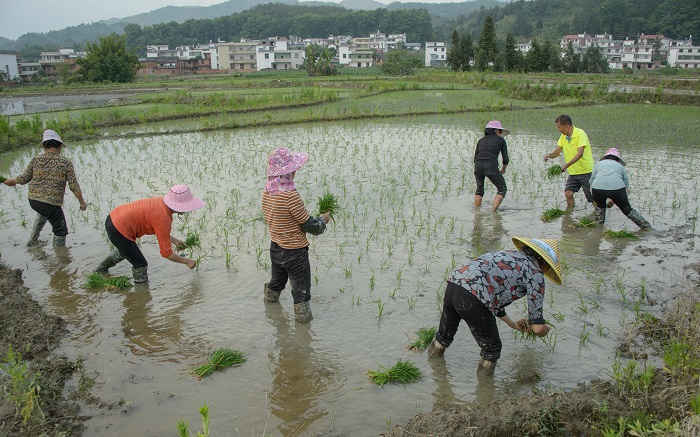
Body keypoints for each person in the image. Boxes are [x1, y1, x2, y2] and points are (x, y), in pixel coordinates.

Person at [427, 237, 562, 376]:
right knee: (492, 348)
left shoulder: (508, 255)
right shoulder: (535, 274)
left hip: (454, 284)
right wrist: (546, 329)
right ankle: (486, 390)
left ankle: (433, 374)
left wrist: (513, 324)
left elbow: (492, 298)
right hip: (474, 296)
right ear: (545, 263)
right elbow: (538, 328)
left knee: (444, 335)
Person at [261, 147, 330, 323]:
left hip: (276, 248)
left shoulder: (267, 193)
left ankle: (269, 306)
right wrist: (323, 220)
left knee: (276, 282)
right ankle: (304, 329)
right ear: (288, 173)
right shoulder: (290, 196)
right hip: (295, 253)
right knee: (301, 292)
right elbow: (309, 225)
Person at [93, 185, 205, 283]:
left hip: (114, 217)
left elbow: (156, 228)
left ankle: (100, 270)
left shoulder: (160, 203)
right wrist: (187, 261)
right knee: (140, 264)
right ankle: (141, 296)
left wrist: (174, 240)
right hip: (118, 228)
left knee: (128, 251)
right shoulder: (163, 218)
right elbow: (167, 253)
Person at [2, 129, 87, 246]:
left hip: (33, 200)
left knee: (43, 213)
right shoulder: (65, 162)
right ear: (60, 145)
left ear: (44, 146)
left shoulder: (36, 159)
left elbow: (25, 178)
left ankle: (32, 241)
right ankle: (60, 258)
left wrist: (13, 180)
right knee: (60, 230)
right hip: (51, 203)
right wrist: (82, 202)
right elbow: (73, 185)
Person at [590, 148, 651, 229]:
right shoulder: (620, 166)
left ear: (605, 157)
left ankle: (598, 229)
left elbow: (591, 181)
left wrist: (595, 193)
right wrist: (616, 199)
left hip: (597, 189)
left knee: (600, 207)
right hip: (617, 189)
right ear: (618, 159)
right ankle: (646, 228)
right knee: (627, 210)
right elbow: (626, 186)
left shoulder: (598, 164)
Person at [544, 115, 594, 208]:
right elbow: (557, 152)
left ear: (566, 125)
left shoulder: (580, 134)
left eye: (560, 127)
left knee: (591, 198)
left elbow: (580, 154)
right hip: (573, 172)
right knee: (568, 194)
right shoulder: (563, 137)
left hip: (586, 172)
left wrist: (566, 165)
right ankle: (569, 215)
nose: (559, 130)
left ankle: (599, 216)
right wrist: (549, 155)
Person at [474, 120, 510, 212]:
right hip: (490, 166)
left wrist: (480, 167)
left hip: (478, 166)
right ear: (497, 131)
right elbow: (505, 159)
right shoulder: (501, 140)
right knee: (502, 189)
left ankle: (476, 213)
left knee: (479, 190)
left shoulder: (481, 140)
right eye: (501, 131)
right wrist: (503, 169)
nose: (501, 133)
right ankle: (492, 212)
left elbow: (475, 157)